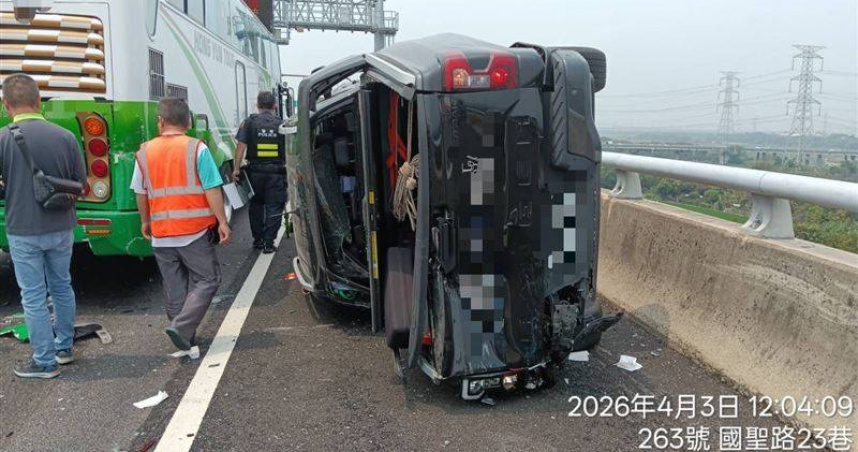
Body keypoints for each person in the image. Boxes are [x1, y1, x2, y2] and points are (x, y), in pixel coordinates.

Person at [0, 74, 86, 378]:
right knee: (62, 285)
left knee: (33, 295)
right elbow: (82, 185)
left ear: (6, 104)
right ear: (39, 101)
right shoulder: (65, 137)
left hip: (22, 229)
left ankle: (44, 361)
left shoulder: (2, 138)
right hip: (62, 225)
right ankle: (65, 348)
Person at [132, 98, 230, 351]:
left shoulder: (144, 151)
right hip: (193, 231)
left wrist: (145, 220)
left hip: (161, 233)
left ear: (160, 122)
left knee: (174, 283)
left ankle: (184, 333)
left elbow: (140, 192)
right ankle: (183, 327)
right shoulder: (197, 148)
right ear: (188, 122)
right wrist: (222, 221)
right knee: (208, 279)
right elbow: (212, 188)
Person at [233, 91, 287, 254]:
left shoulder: (249, 122)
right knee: (274, 207)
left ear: (257, 105)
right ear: (275, 106)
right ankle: (269, 243)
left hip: (255, 172)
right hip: (276, 173)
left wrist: (236, 169)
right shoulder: (281, 124)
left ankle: (258, 241)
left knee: (256, 207)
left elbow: (241, 147)